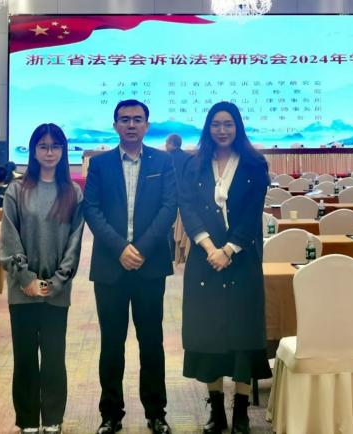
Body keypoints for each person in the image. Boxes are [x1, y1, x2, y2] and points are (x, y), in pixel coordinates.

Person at [83, 100, 177, 434]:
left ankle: (156, 412)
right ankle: (110, 414)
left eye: (138, 119)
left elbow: (169, 208)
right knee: (112, 344)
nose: (131, 124)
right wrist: (121, 248)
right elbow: (91, 209)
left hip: (150, 266)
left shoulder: (163, 162)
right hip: (110, 267)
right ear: (115, 126)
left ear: (147, 126)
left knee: (151, 342)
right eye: (125, 119)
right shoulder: (100, 164)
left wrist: (141, 249)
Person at [179, 101, 272, 434]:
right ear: (208, 128)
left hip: (242, 259)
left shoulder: (254, 164)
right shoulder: (194, 164)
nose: (222, 130)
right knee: (209, 335)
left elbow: (251, 214)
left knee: (243, 335)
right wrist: (210, 248)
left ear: (238, 127)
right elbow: (188, 208)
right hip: (205, 261)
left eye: (228, 124)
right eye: (216, 124)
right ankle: (216, 411)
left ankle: (241, 412)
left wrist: (229, 250)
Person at [0, 123, 84, 434]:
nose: (50, 152)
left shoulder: (72, 192)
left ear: (63, 151)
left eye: (55, 146)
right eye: (43, 146)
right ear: (34, 151)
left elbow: (75, 243)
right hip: (22, 290)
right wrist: (26, 278)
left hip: (56, 291)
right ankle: (27, 420)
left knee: (53, 357)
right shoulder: (17, 190)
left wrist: (57, 281)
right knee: (24, 357)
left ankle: (52, 418)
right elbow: (9, 238)